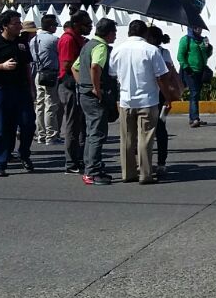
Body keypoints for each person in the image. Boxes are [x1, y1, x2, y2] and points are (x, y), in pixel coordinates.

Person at [108, 20, 169, 184]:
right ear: (145, 33)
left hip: (126, 100)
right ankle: (145, 174)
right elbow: (161, 76)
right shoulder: (152, 50)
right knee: (145, 138)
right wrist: (167, 97)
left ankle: (128, 173)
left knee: (127, 138)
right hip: (148, 100)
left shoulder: (117, 50)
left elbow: (112, 73)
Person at [0, 10, 35, 177]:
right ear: (5, 26)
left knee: (28, 124)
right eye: (15, 23)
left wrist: (32, 88)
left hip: (21, 90)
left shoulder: (21, 44)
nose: (19, 26)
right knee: (0, 128)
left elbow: (27, 67)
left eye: (19, 23)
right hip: (0, 89)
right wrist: (1, 66)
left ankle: (24, 153)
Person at [75, 18, 117, 186]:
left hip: (84, 94)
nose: (115, 36)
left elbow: (75, 67)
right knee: (97, 133)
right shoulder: (101, 47)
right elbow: (95, 67)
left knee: (91, 132)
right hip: (94, 96)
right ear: (109, 33)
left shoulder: (87, 45)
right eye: (114, 32)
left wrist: (82, 84)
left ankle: (90, 167)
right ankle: (92, 172)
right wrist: (96, 88)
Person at [145, 27, 181, 178]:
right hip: (159, 94)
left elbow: (166, 74)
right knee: (159, 129)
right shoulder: (162, 52)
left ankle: (156, 162)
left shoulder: (158, 52)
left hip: (156, 93)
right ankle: (160, 162)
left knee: (154, 129)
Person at [58, 12, 91, 174]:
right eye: (87, 24)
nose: (89, 27)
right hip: (70, 85)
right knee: (72, 125)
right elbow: (66, 65)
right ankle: (71, 162)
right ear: (77, 24)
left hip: (76, 84)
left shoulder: (78, 38)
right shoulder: (68, 39)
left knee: (81, 125)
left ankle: (79, 158)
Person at [29, 13, 62, 147]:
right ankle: (51, 135)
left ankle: (41, 134)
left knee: (40, 105)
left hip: (38, 73)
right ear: (51, 26)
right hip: (50, 73)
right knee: (51, 105)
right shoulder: (54, 40)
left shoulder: (33, 40)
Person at [177, 26, 213, 128]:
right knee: (194, 93)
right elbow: (180, 56)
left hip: (201, 71)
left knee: (196, 94)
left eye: (200, 27)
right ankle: (194, 118)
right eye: (196, 27)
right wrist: (186, 68)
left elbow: (207, 55)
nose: (198, 29)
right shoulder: (186, 39)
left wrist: (209, 48)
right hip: (190, 71)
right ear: (191, 28)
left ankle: (193, 117)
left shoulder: (203, 40)